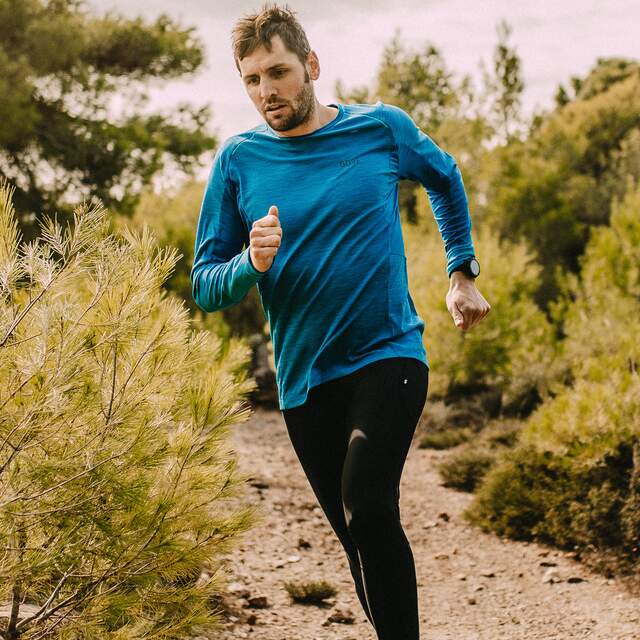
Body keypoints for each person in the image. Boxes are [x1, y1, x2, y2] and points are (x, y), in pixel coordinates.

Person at [190, 3, 491, 638]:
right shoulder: (238, 161)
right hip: (305, 381)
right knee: (358, 538)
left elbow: (444, 177)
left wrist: (461, 271)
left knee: (368, 503)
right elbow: (206, 285)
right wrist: (250, 263)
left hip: (389, 353)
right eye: (252, 79)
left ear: (312, 65)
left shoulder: (380, 128)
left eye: (278, 72)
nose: (267, 92)